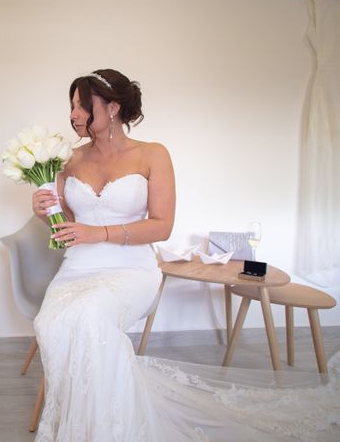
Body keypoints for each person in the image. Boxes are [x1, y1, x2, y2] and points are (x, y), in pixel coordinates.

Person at [30, 69, 340, 441]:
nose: (73, 114)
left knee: (88, 315)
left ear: (112, 108)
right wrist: (43, 208)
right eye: (72, 106)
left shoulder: (153, 154)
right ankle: (88, 422)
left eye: (82, 106)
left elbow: (162, 226)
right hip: (77, 268)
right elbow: (62, 229)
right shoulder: (69, 160)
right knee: (50, 323)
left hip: (131, 269)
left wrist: (99, 233)